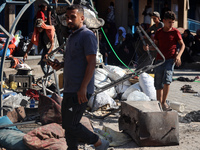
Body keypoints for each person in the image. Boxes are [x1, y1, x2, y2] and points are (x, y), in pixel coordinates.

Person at [49, 4, 109, 150]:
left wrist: (83, 88)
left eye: (73, 17)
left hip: (80, 90)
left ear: (82, 18)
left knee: (71, 124)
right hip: (70, 88)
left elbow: (91, 63)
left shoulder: (87, 36)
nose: (69, 20)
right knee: (68, 125)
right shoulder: (72, 37)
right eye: (67, 17)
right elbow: (75, 60)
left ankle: (97, 142)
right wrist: (61, 65)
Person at [144, 11, 185, 111]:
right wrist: (148, 48)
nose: (171, 24)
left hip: (170, 60)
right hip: (159, 60)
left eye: (172, 22)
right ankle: (159, 104)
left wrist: (178, 56)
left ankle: (164, 102)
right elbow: (156, 47)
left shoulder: (175, 32)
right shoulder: (159, 32)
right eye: (169, 22)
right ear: (164, 21)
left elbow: (182, 45)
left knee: (167, 80)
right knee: (158, 83)